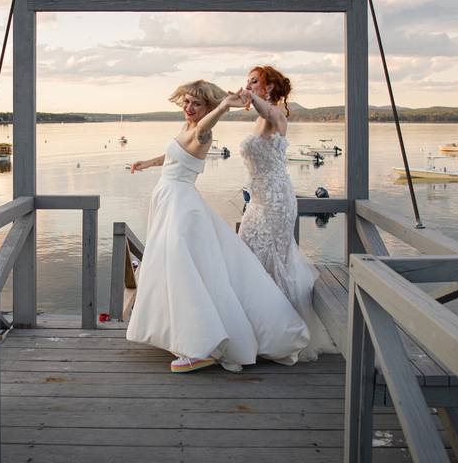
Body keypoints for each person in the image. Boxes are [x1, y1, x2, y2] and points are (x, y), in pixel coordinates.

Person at [126, 80, 310, 373]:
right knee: (174, 268)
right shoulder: (186, 128)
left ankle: (203, 346)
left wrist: (224, 106)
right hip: (168, 201)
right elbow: (174, 155)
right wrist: (147, 162)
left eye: (196, 104)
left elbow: (202, 131)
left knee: (183, 268)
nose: (189, 108)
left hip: (182, 207)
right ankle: (181, 333)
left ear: (208, 108)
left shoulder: (203, 132)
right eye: (186, 102)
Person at [238, 66, 337, 361]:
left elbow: (267, 113)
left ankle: (282, 333)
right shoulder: (260, 117)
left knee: (271, 260)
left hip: (277, 200)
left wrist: (248, 97)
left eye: (254, 81)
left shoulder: (276, 113)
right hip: (258, 200)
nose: (248, 85)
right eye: (248, 81)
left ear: (269, 87)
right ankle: (256, 328)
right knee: (248, 256)